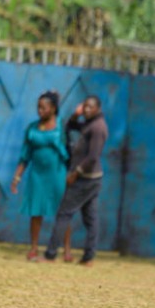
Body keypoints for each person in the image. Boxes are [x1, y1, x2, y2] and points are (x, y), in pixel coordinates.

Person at [42, 95, 108, 266]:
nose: (87, 110)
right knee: (90, 218)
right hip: (91, 179)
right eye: (85, 106)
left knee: (64, 214)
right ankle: (88, 257)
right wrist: (75, 115)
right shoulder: (89, 123)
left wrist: (75, 173)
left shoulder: (98, 127)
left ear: (98, 108)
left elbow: (93, 157)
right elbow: (70, 127)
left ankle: (50, 254)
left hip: (85, 179)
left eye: (90, 107)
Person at [10, 91, 71, 262]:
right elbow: (25, 155)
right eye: (38, 107)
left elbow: (70, 149)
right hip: (37, 175)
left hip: (57, 174)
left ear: (53, 109)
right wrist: (17, 178)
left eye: (44, 107)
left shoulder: (61, 126)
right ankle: (34, 248)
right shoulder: (32, 128)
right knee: (36, 211)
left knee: (62, 213)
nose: (40, 111)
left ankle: (67, 250)